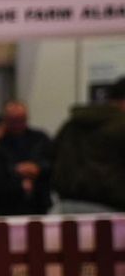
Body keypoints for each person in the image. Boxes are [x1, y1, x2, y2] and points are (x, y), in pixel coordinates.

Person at [50, 77, 124, 213]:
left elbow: (52, 156)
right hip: (112, 213)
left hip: (65, 208)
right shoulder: (121, 125)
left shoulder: (71, 124)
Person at [0, 100, 52, 214]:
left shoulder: (40, 138)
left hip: (38, 200)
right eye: (13, 120)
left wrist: (37, 168)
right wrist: (15, 169)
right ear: (5, 120)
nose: (17, 124)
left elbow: (53, 162)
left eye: (21, 120)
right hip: (6, 202)